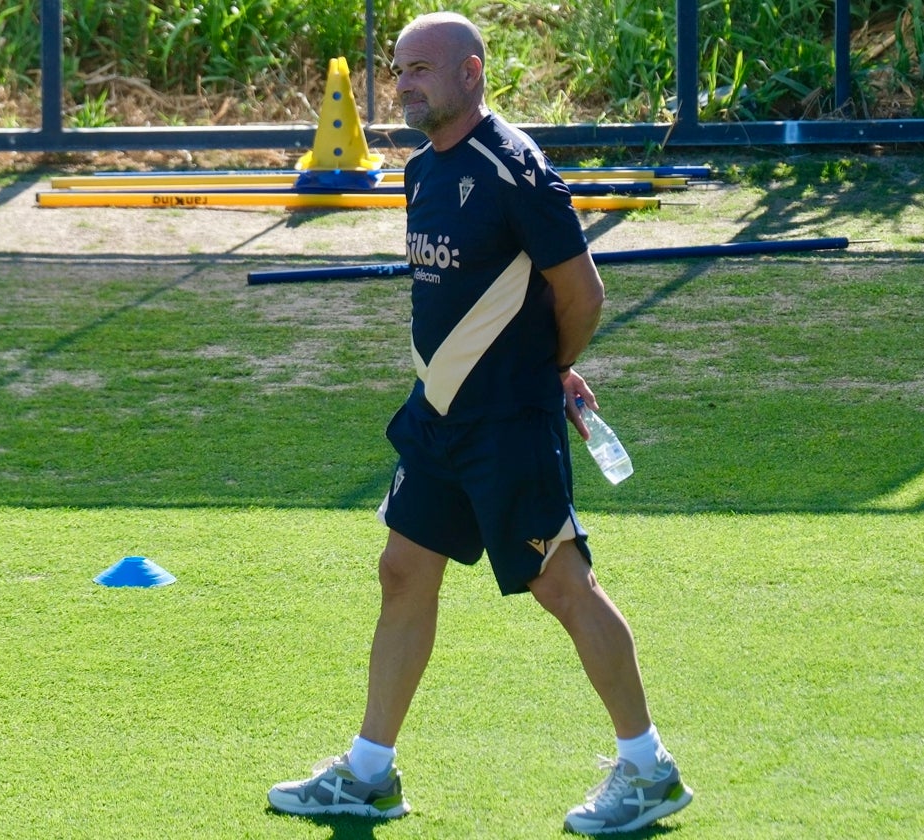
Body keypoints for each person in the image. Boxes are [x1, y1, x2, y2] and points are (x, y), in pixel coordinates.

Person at [268, 11, 693, 836]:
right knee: (402, 571)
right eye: (398, 69)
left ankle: (648, 769)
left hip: (505, 421)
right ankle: (368, 773)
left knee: (561, 584)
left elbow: (583, 294)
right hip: (437, 415)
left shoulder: (516, 169)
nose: (404, 84)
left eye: (422, 68)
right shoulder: (422, 170)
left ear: (470, 73)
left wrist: (548, 370)